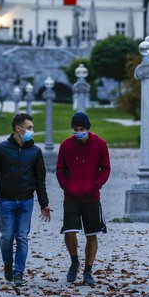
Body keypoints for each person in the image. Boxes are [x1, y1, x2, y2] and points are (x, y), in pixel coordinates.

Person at [0, 113, 52, 287]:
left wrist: (44, 204)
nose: (31, 131)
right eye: (29, 128)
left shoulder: (35, 151)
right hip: (7, 201)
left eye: (32, 128)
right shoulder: (0, 149)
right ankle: (8, 265)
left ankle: (19, 273)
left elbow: (40, 180)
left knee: (22, 237)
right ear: (18, 129)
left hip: (27, 202)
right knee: (6, 237)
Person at [56, 112, 110, 286]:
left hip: (91, 197)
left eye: (82, 129)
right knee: (69, 231)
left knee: (91, 234)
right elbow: (60, 169)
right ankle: (74, 262)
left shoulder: (100, 144)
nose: (78, 132)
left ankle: (88, 270)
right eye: (76, 129)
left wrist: (96, 185)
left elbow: (106, 168)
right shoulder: (66, 146)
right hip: (71, 196)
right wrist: (66, 186)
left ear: (88, 128)